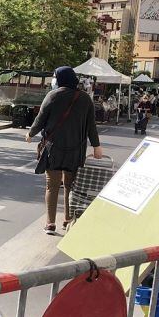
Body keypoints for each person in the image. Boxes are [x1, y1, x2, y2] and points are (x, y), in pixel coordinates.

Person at [27, 66, 103, 234]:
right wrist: (96, 146)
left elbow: (40, 119)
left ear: (59, 79)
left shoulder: (53, 95)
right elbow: (91, 126)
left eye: (54, 77)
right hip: (76, 151)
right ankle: (68, 219)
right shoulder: (85, 99)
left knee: (51, 186)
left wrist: (31, 133)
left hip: (53, 149)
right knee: (70, 185)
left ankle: (50, 223)